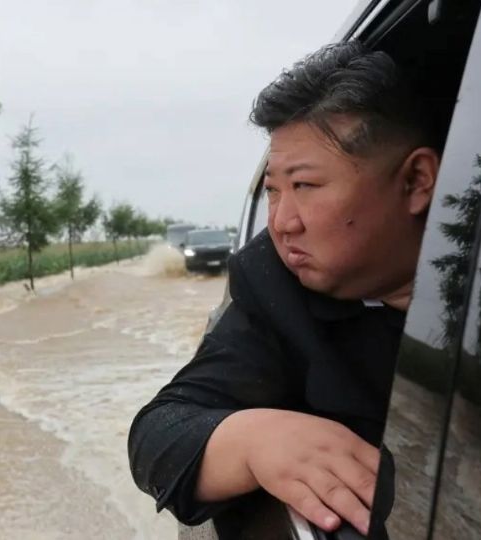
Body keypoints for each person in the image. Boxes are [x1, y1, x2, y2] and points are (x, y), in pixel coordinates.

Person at [127, 40, 442, 538]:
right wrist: (252, 440)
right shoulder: (274, 286)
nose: (280, 222)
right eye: (273, 190)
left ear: (417, 182)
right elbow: (158, 435)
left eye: (305, 186)